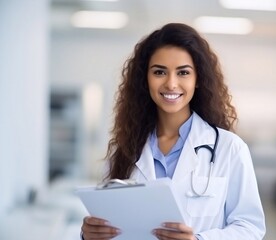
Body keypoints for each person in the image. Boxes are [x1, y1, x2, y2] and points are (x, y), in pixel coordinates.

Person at [81, 22, 266, 240]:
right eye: (159, 72)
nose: (171, 83)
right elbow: (111, 224)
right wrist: (89, 235)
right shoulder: (124, 151)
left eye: (183, 72)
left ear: (198, 80)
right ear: (145, 79)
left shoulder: (229, 148)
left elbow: (250, 228)